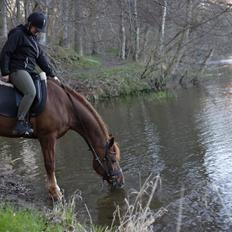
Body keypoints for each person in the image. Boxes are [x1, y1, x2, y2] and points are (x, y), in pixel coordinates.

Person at [0, 12, 59, 136]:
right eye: (36, 28)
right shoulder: (18, 34)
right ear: (29, 24)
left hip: (29, 71)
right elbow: (6, 52)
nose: (37, 31)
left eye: (39, 30)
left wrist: (52, 74)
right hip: (17, 70)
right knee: (31, 92)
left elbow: (41, 58)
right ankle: (20, 122)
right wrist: (5, 72)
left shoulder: (33, 39)